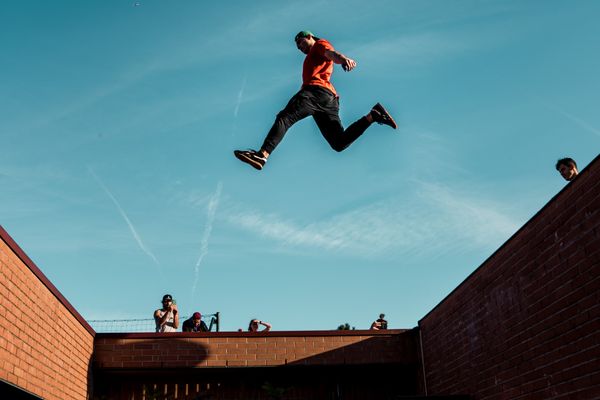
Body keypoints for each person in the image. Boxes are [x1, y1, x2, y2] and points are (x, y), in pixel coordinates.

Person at [234, 30, 397, 170]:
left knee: (285, 117)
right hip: (329, 100)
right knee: (339, 143)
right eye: (297, 46)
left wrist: (344, 59)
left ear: (310, 36)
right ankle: (373, 116)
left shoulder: (319, 45)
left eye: (301, 42)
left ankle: (262, 155)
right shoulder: (312, 56)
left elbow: (332, 54)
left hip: (314, 93)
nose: (300, 47)